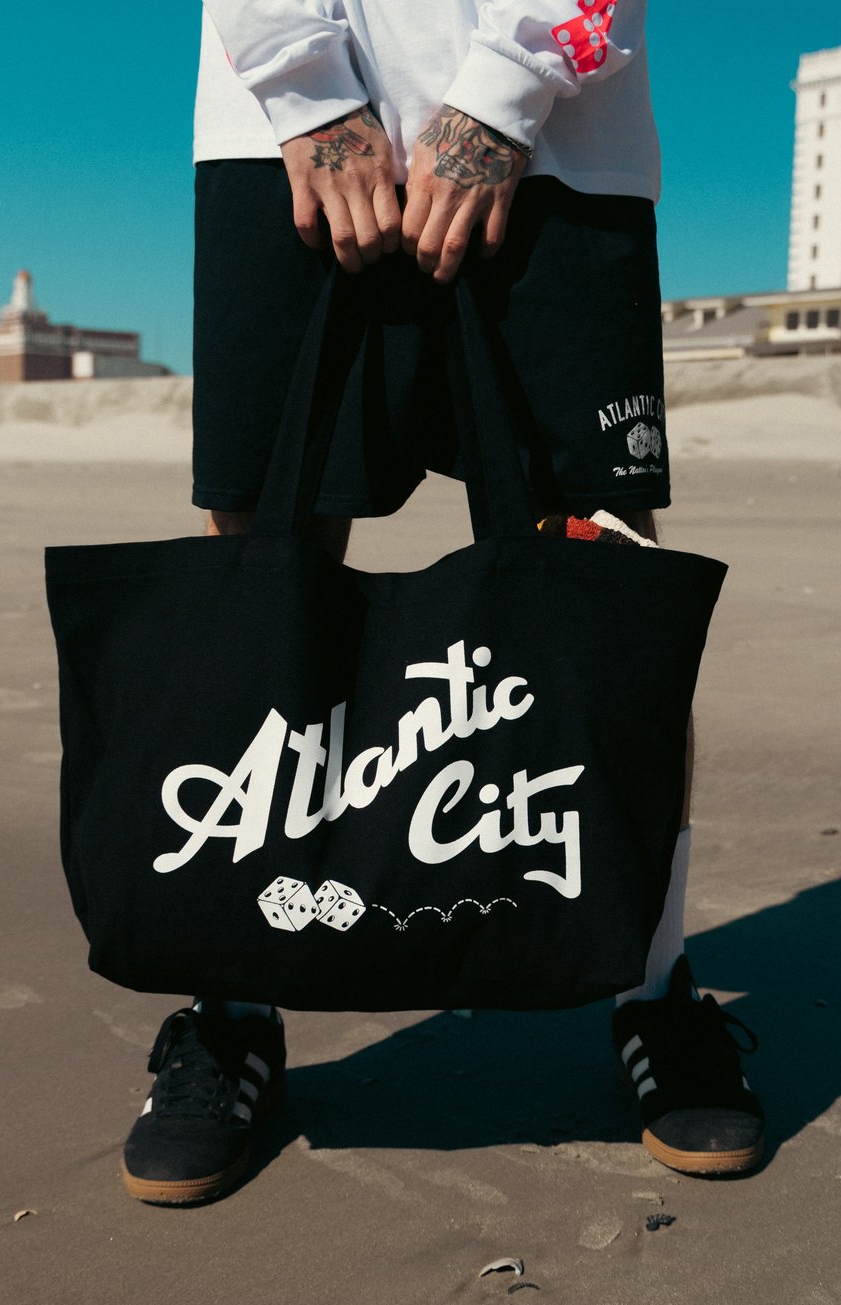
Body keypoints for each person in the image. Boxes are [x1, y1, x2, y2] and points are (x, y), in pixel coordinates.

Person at [120, 0, 765, 1205]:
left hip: (564, 138)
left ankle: (651, 983)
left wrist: (508, 89)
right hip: (277, 132)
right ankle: (235, 1003)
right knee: (263, 565)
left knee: (600, 587)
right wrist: (304, 85)